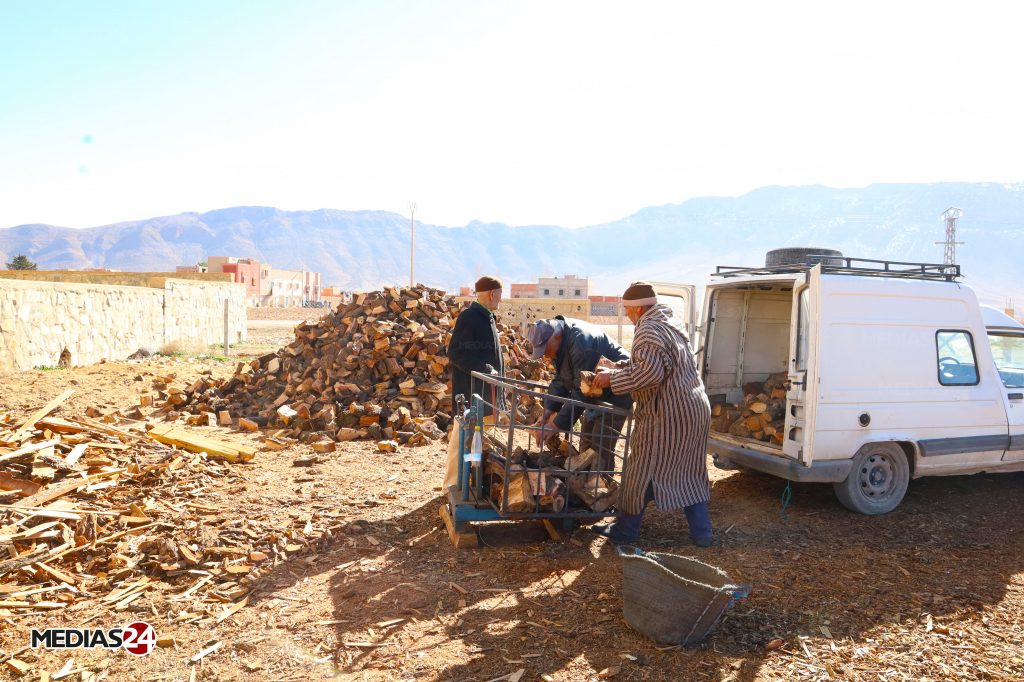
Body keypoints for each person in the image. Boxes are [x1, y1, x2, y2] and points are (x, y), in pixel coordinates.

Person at [590, 281, 713, 546]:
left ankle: (625, 534)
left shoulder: (647, 329)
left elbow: (650, 373)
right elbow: (658, 362)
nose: (626, 315)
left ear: (637, 309)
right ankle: (702, 534)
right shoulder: (669, 321)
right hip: (694, 408)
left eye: (627, 310)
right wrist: (621, 367)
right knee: (690, 472)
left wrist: (611, 380)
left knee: (640, 472)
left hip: (668, 414)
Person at [527, 316, 632, 470]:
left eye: (546, 350)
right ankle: (584, 485)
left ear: (556, 336)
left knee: (599, 447)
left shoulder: (580, 343)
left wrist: (555, 425)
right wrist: (547, 413)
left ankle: (602, 488)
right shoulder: (560, 342)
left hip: (615, 392)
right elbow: (561, 379)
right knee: (586, 443)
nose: (546, 355)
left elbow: (580, 392)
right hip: (595, 394)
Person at [443, 276, 505, 489]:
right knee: (462, 439)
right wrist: (488, 370)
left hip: (484, 395)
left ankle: (470, 483)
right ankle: (452, 484)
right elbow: (456, 354)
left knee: (477, 442)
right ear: (492, 294)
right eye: (500, 295)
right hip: (470, 394)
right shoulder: (470, 317)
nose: (500, 300)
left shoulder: (487, 317)